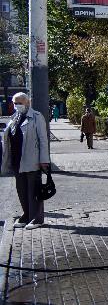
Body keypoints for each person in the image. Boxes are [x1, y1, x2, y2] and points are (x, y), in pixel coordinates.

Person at [1, 92, 50, 230]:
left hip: (32, 160)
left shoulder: (37, 117)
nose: (17, 106)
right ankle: (27, 215)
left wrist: (44, 160)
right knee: (21, 190)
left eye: (19, 103)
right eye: (15, 103)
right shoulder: (14, 118)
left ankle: (37, 218)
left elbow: (43, 140)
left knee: (34, 190)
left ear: (27, 103)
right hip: (17, 160)